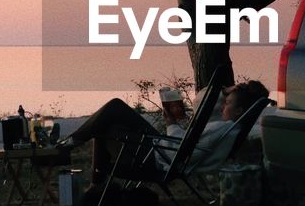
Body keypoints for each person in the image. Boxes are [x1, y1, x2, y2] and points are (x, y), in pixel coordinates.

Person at [62, 80, 269, 193]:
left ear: (240, 110)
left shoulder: (221, 129)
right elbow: (200, 102)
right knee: (114, 111)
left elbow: (182, 154)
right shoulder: (227, 126)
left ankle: (72, 148)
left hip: (158, 157)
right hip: (162, 147)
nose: (223, 105)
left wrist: (172, 124)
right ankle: (76, 150)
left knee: (108, 121)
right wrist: (224, 90)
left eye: (228, 103)